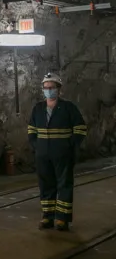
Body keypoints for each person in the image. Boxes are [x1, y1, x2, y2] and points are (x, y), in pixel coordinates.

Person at [27, 72, 86, 231]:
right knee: (46, 185)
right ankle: (48, 216)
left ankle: (62, 219)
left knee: (64, 184)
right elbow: (31, 129)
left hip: (62, 154)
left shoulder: (68, 108)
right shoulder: (38, 108)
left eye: (51, 87)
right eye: (46, 88)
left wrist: (70, 145)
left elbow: (80, 128)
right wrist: (36, 145)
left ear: (59, 89)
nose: (48, 90)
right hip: (43, 154)